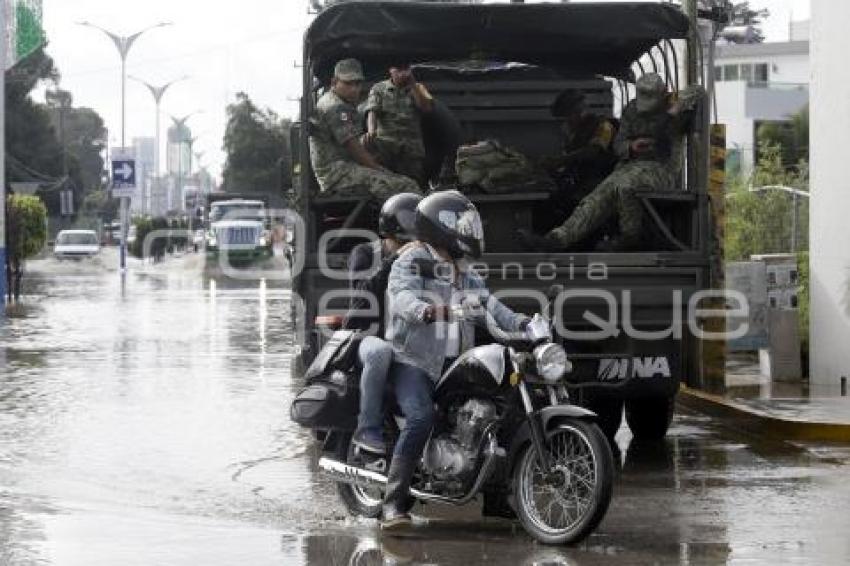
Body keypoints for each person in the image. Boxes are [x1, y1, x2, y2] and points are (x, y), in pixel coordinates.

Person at [380, 190, 530, 530]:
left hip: (454, 363)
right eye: (462, 224)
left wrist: (523, 323)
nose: (469, 230)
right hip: (413, 362)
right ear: (440, 226)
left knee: (501, 412)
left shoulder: (462, 268)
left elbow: (490, 304)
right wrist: (426, 310)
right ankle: (394, 503)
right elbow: (400, 296)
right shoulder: (412, 258)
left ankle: (495, 499)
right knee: (420, 418)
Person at [519, 73, 704, 251]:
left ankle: (630, 237)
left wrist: (671, 113)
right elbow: (618, 145)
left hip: (662, 170)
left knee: (625, 185)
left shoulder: (676, 108)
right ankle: (557, 239)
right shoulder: (632, 111)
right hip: (630, 166)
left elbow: (698, 90)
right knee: (595, 198)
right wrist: (631, 147)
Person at [343, 192, 423, 455]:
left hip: (407, 346)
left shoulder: (422, 261)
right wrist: (393, 261)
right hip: (368, 339)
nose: (409, 247)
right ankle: (367, 429)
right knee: (380, 352)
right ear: (387, 235)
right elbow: (361, 300)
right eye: (401, 242)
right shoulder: (364, 254)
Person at [309, 58, 421, 201]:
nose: (354, 89)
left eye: (357, 83)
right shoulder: (336, 107)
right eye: (348, 83)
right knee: (407, 186)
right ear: (334, 82)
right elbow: (356, 150)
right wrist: (383, 172)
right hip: (338, 175)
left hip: (338, 169)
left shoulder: (335, 101)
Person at [364, 63, 433, 187]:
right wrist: (371, 130)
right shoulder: (379, 88)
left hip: (411, 146)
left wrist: (413, 85)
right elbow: (372, 111)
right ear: (391, 70)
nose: (402, 73)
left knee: (414, 183)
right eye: (398, 70)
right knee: (384, 180)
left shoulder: (418, 88)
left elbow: (426, 108)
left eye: (405, 70)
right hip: (387, 143)